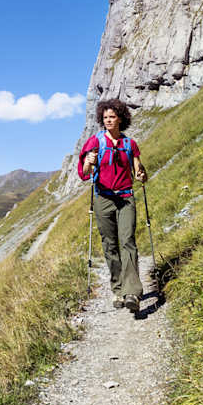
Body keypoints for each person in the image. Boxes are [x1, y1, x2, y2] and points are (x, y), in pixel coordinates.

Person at [77, 98, 148, 312]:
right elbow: (84, 174)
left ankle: (132, 293)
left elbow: (139, 172)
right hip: (103, 198)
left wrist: (141, 174)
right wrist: (89, 162)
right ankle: (117, 289)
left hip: (125, 197)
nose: (108, 120)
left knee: (128, 241)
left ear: (120, 118)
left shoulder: (129, 144)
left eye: (112, 117)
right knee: (110, 245)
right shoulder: (95, 142)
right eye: (105, 117)